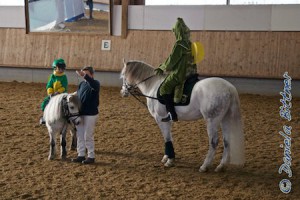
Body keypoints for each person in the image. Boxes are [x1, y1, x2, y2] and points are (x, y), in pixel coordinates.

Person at [155, 18, 197, 122]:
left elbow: (172, 60)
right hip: (191, 72)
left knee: (164, 87)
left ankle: (172, 114)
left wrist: (162, 68)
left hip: (180, 73)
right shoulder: (190, 44)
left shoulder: (179, 44)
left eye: (175, 32)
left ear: (178, 32)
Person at [72, 66, 100, 164]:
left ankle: (91, 156)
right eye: (83, 74)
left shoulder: (96, 83)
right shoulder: (81, 84)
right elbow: (77, 94)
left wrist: (84, 76)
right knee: (80, 135)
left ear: (92, 75)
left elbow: (92, 85)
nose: (84, 76)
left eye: (87, 74)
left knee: (88, 135)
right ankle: (81, 154)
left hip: (91, 114)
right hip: (81, 113)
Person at [40, 58, 68, 124]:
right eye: (60, 68)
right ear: (55, 68)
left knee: (67, 105)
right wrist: (50, 93)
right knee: (45, 103)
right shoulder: (52, 76)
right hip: (53, 94)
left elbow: (64, 86)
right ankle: (45, 117)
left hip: (62, 94)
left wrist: (58, 92)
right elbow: (49, 85)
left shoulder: (64, 77)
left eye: (63, 68)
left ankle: (68, 118)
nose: (61, 70)